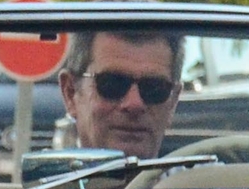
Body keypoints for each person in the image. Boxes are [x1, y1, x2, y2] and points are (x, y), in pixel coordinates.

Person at [57, 26, 185, 160]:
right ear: (70, 93)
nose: (134, 104)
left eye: (154, 88)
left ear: (173, 102)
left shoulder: (200, 180)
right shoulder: (44, 181)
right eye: (113, 84)